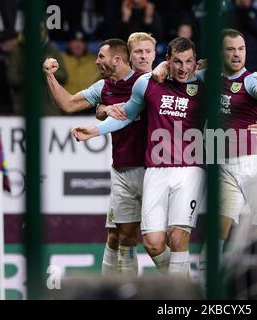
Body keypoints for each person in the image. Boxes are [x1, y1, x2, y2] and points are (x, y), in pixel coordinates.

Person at [72, 37, 206, 279]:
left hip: (190, 168)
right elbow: (125, 115)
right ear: (168, 60)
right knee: (153, 243)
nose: (183, 68)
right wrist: (94, 130)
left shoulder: (204, 82)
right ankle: (186, 283)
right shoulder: (146, 83)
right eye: (177, 62)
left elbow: (232, 78)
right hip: (155, 169)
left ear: (195, 62)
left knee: (177, 237)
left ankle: (179, 299)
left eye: (189, 62)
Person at [43, 33, 157, 279]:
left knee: (157, 240)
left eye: (101, 56)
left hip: (154, 169)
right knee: (120, 236)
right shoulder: (103, 87)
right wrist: (49, 75)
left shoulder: (150, 82)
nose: (96, 62)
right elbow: (68, 104)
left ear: (117, 60)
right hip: (122, 169)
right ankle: (115, 291)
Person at [196, 29, 257, 277]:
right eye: (231, 49)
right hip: (224, 167)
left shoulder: (251, 79)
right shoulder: (208, 76)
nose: (237, 54)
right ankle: (204, 287)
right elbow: (184, 75)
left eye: (241, 49)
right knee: (216, 234)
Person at [61, 30, 100, 115]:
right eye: (74, 41)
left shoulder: (96, 60)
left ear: (86, 44)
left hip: (90, 106)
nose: (78, 45)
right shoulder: (60, 58)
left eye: (81, 42)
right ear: (68, 43)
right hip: (66, 106)